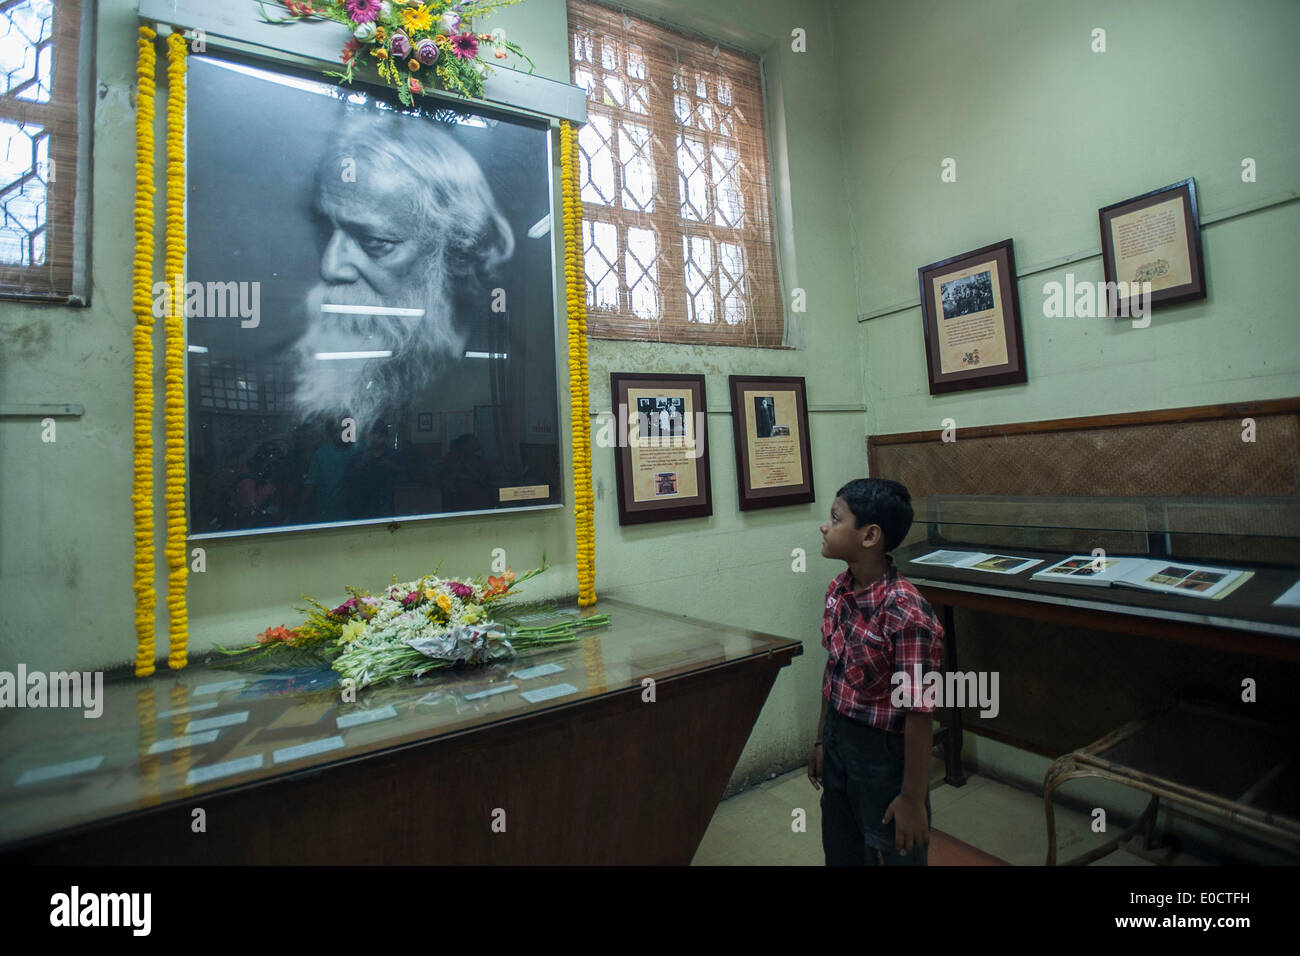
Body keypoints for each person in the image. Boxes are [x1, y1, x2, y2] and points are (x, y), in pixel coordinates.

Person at [286, 112, 515, 434]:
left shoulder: (498, 365)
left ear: (456, 255)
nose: (330, 267)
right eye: (326, 231)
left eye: (376, 242)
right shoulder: (293, 354)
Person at [808, 477, 944, 865]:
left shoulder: (906, 615)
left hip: (883, 756)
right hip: (838, 739)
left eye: (835, 519)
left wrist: (914, 799)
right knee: (841, 845)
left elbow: (920, 714)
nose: (824, 525)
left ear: (869, 536)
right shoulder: (838, 590)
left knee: (891, 848)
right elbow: (833, 673)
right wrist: (822, 741)